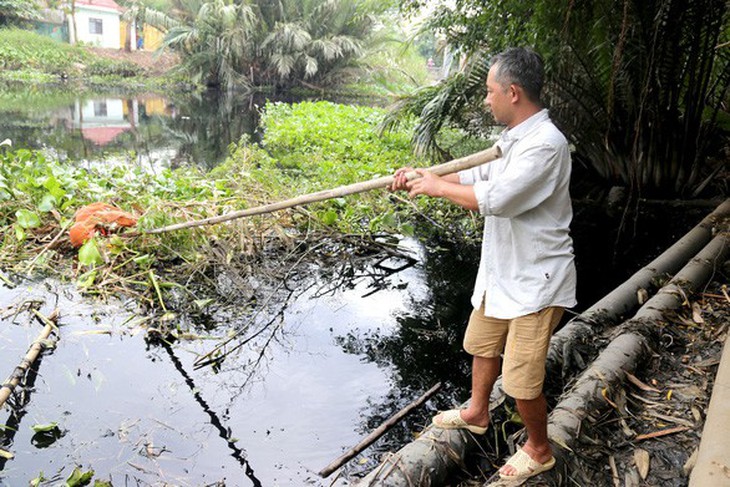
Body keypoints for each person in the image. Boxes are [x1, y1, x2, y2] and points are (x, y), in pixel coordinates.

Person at [390, 47, 576, 482]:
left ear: (512, 92)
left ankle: (539, 448)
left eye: (490, 92)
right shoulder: (513, 138)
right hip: (501, 272)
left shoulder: (546, 145)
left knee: (521, 382)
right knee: (481, 344)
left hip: (536, 279)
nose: (485, 100)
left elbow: (497, 199)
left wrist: (436, 187)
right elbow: (474, 177)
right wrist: (422, 176)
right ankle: (477, 411)